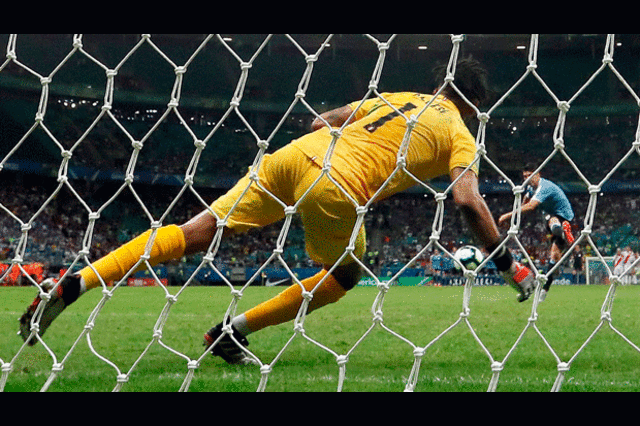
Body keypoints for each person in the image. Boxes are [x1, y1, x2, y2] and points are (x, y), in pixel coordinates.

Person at [19, 58, 535, 364]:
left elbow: (324, 119)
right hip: (337, 184)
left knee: (196, 231)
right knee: (346, 274)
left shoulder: (402, 97)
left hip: (292, 157)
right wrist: (506, 262)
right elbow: (467, 199)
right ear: (473, 106)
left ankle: (77, 283)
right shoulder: (458, 130)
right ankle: (233, 332)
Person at [498, 163, 575, 301]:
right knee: (554, 257)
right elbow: (525, 203)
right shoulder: (529, 187)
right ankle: (544, 290)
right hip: (553, 217)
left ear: (538, 174)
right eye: (525, 176)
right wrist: (515, 220)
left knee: (552, 221)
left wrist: (507, 216)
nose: (527, 178)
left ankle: (561, 230)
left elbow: (531, 206)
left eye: (530, 175)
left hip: (565, 217)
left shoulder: (544, 187)